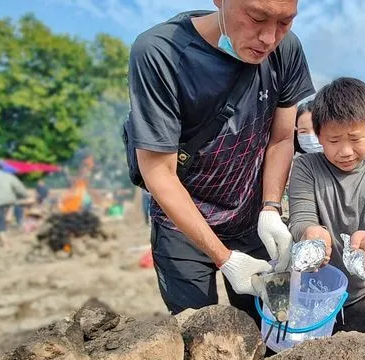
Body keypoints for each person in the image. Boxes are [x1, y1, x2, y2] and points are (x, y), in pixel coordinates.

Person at [126, 1, 314, 319]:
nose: (269, 38)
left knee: (274, 327)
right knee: (200, 333)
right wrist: (223, 258)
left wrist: (271, 208)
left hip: (252, 219)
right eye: (256, 17)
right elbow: (159, 170)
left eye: (285, 22)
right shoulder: (160, 53)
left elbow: (282, 138)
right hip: (182, 223)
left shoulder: (287, 50)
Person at [289, 77, 365, 340]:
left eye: (354, 138)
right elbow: (301, 219)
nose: (346, 151)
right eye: (334, 140)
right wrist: (311, 232)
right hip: (318, 294)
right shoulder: (306, 168)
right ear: (319, 136)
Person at [0, 162, 29, 248]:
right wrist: (24, 196)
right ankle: (8, 219)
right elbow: (19, 188)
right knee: (12, 206)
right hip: (9, 202)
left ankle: (5, 241)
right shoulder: (9, 176)